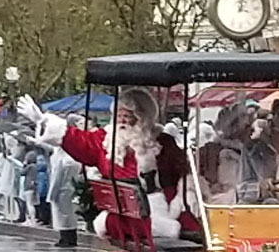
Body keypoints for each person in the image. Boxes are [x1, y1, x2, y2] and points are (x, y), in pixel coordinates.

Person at [18, 89, 197, 240]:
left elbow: (184, 172)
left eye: (128, 116)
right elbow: (78, 140)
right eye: (119, 116)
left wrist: (184, 197)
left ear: (142, 118)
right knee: (133, 222)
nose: (122, 121)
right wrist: (42, 120)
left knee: (200, 227)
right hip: (126, 211)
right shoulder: (105, 141)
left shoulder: (162, 141)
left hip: (167, 204)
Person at [199, 104, 252, 205]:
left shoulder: (249, 150)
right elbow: (225, 186)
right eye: (247, 126)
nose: (251, 130)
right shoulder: (216, 152)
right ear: (234, 127)